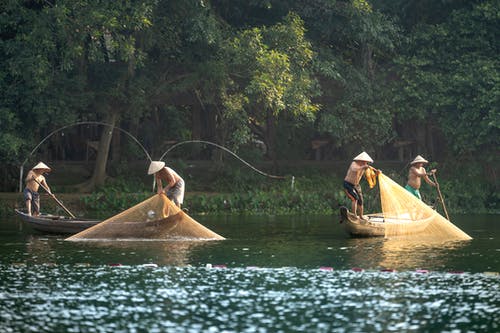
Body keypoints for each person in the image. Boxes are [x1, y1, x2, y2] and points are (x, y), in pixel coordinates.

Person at [343, 152, 380, 220]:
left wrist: (377, 173)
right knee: (355, 198)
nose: (366, 163)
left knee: (360, 201)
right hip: (348, 184)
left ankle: (361, 216)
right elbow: (354, 169)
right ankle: (354, 215)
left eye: (366, 162)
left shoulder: (365, 167)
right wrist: (363, 167)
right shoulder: (354, 164)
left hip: (356, 185)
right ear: (360, 160)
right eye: (364, 161)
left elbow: (371, 176)